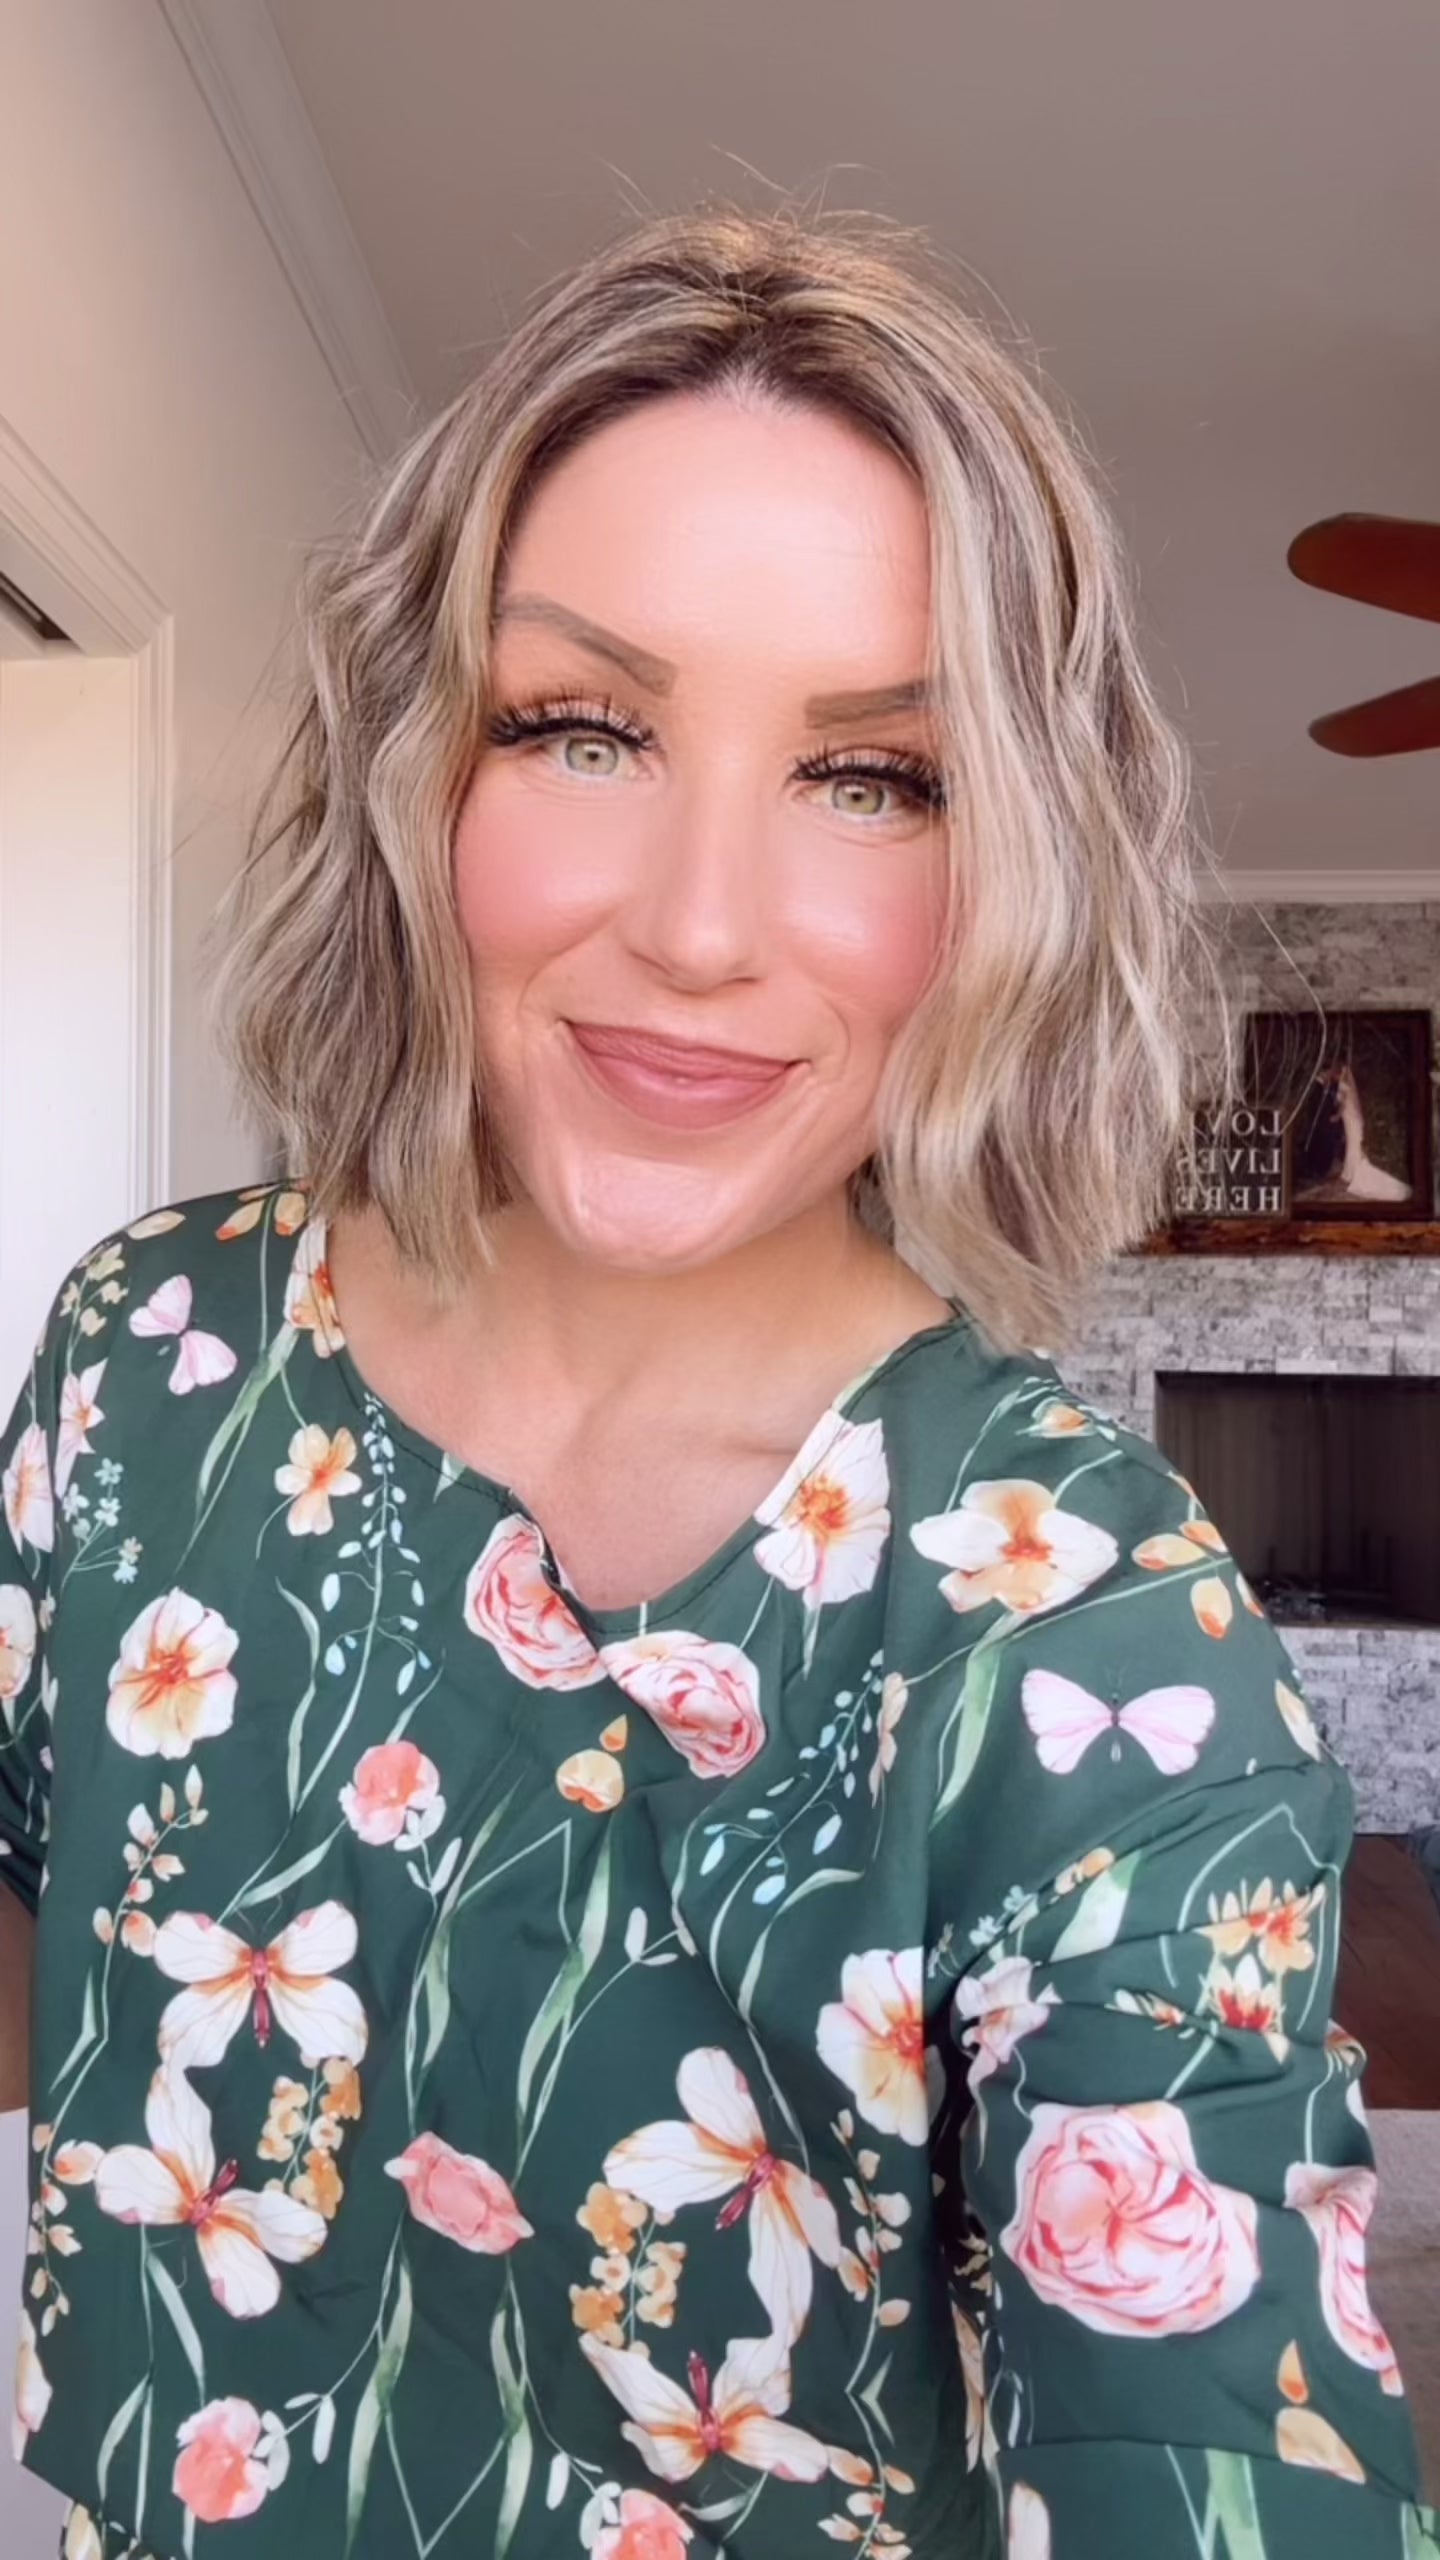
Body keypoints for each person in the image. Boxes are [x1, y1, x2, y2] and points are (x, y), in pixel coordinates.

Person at [0, 202, 1432, 2560]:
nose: (693, 923)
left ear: (1008, 875)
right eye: (585, 728)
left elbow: (1220, 2431)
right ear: (421, 775)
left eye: (872, 774)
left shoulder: (1084, 1624)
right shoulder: (155, 1356)